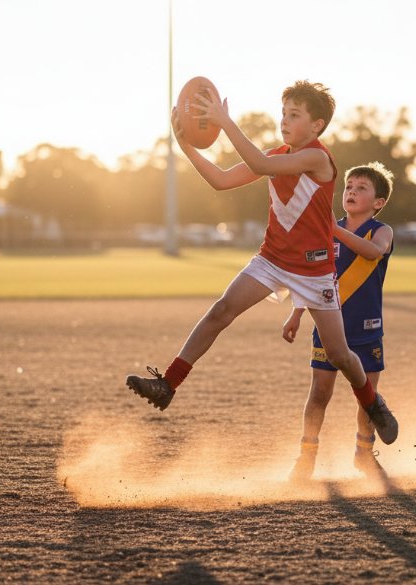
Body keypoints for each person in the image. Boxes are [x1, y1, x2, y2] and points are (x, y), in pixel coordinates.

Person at [125, 80, 398, 445]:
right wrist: (186, 145)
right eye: (283, 113)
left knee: (339, 354)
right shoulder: (275, 154)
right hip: (272, 259)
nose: (284, 120)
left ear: (316, 126)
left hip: (315, 270)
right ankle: (168, 384)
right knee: (221, 310)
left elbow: (260, 163)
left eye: (294, 115)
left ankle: (372, 401)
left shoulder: (318, 158)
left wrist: (224, 121)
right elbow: (221, 181)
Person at [282, 162, 396, 483]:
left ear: (378, 202)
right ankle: (307, 455)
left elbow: (373, 252)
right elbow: (312, 277)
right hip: (329, 329)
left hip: (367, 329)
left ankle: (364, 453)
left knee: (367, 396)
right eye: (348, 187)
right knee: (319, 393)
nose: (351, 192)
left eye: (361, 188)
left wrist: (335, 231)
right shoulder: (326, 231)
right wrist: (296, 313)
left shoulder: (380, 230)